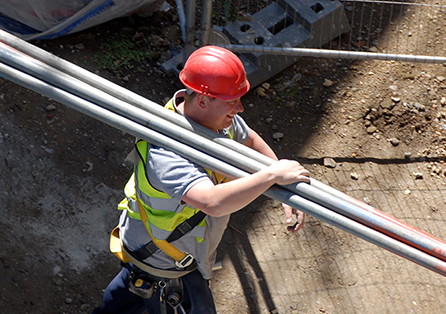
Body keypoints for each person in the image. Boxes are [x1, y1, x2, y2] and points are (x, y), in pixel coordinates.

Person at [92, 45, 310, 314]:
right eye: (232, 101)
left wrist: (282, 187)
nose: (240, 108)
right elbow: (212, 202)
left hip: (157, 250)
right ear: (204, 100)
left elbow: (249, 138)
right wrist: (272, 176)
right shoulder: (165, 153)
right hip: (165, 264)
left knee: (123, 304)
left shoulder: (212, 118)